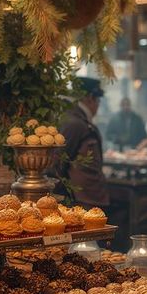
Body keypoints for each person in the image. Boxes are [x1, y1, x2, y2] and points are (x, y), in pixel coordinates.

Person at [52, 77, 109, 209]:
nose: (98, 105)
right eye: (98, 100)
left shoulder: (78, 120)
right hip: (81, 200)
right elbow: (59, 162)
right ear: (90, 98)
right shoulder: (75, 123)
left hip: (86, 198)